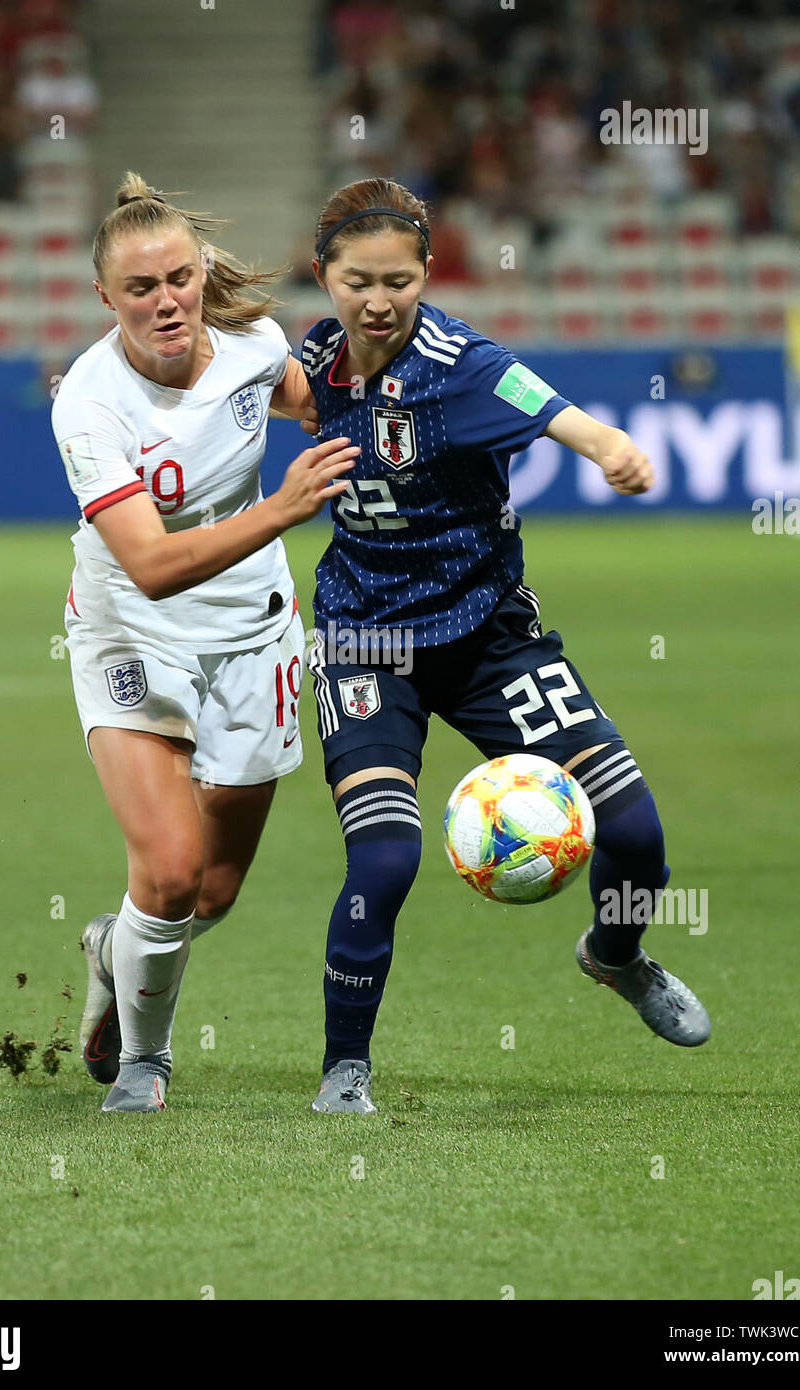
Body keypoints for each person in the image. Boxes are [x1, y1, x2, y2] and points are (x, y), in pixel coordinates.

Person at [302, 177, 710, 1115]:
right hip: (367, 642)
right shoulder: (305, 364)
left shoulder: (466, 367)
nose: (378, 300)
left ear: (426, 274)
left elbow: (566, 415)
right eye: (358, 279)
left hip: (491, 639)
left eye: (399, 280)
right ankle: (344, 1072)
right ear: (323, 275)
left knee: (639, 835)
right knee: (384, 862)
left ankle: (616, 957)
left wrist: (611, 449)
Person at [51, 172, 358, 1113]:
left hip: (254, 636)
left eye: (178, 278)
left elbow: (324, 409)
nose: (165, 301)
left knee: (209, 896)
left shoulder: (258, 349)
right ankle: (146, 1064)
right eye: (139, 289)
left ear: (202, 271)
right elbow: (149, 564)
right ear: (106, 297)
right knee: (172, 871)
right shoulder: (90, 405)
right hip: (132, 633)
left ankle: (115, 947)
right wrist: (282, 508)